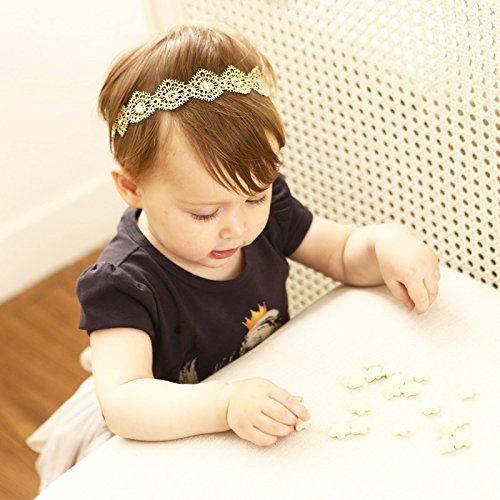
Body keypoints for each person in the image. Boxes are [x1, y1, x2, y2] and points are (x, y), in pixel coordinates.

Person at [27, 21, 440, 488]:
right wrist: (223, 404)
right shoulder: (121, 283)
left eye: (255, 197)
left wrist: (385, 243)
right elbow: (125, 402)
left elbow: (343, 254)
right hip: (167, 438)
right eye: (204, 213)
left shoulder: (262, 212)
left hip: (254, 409)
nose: (238, 228)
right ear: (132, 187)